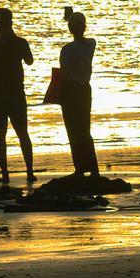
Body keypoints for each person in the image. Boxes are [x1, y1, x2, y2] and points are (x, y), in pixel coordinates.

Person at [0, 8, 36, 183]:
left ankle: (5, 174)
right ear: (11, 23)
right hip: (16, 93)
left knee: (0, 135)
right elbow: (30, 60)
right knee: (23, 133)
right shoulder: (20, 42)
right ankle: (29, 171)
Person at [59, 11, 99, 177]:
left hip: (71, 89)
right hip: (85, 89)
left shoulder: (67, 50)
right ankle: (93, 168)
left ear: (70, 28)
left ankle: (80, 168)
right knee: (84, 128)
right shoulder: (91, 44)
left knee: (73, 129)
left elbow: (65, 73)